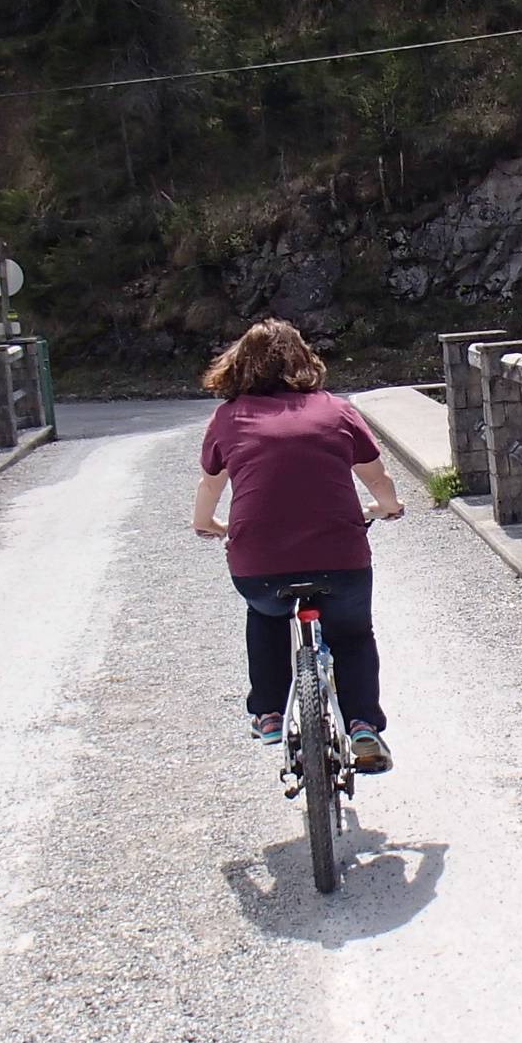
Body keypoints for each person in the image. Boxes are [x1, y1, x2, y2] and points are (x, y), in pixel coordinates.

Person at [192, 318, 404, 773]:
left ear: (239, 365)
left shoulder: (228, 417)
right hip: (340, 558)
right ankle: (364, 727)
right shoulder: (336, 410)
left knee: (266, 615)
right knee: (351, 634)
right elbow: (377, 478)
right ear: (304, 359)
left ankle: (269, 713)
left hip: (259, 562)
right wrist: (387, 506)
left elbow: (209, 490)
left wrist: (208, 523)